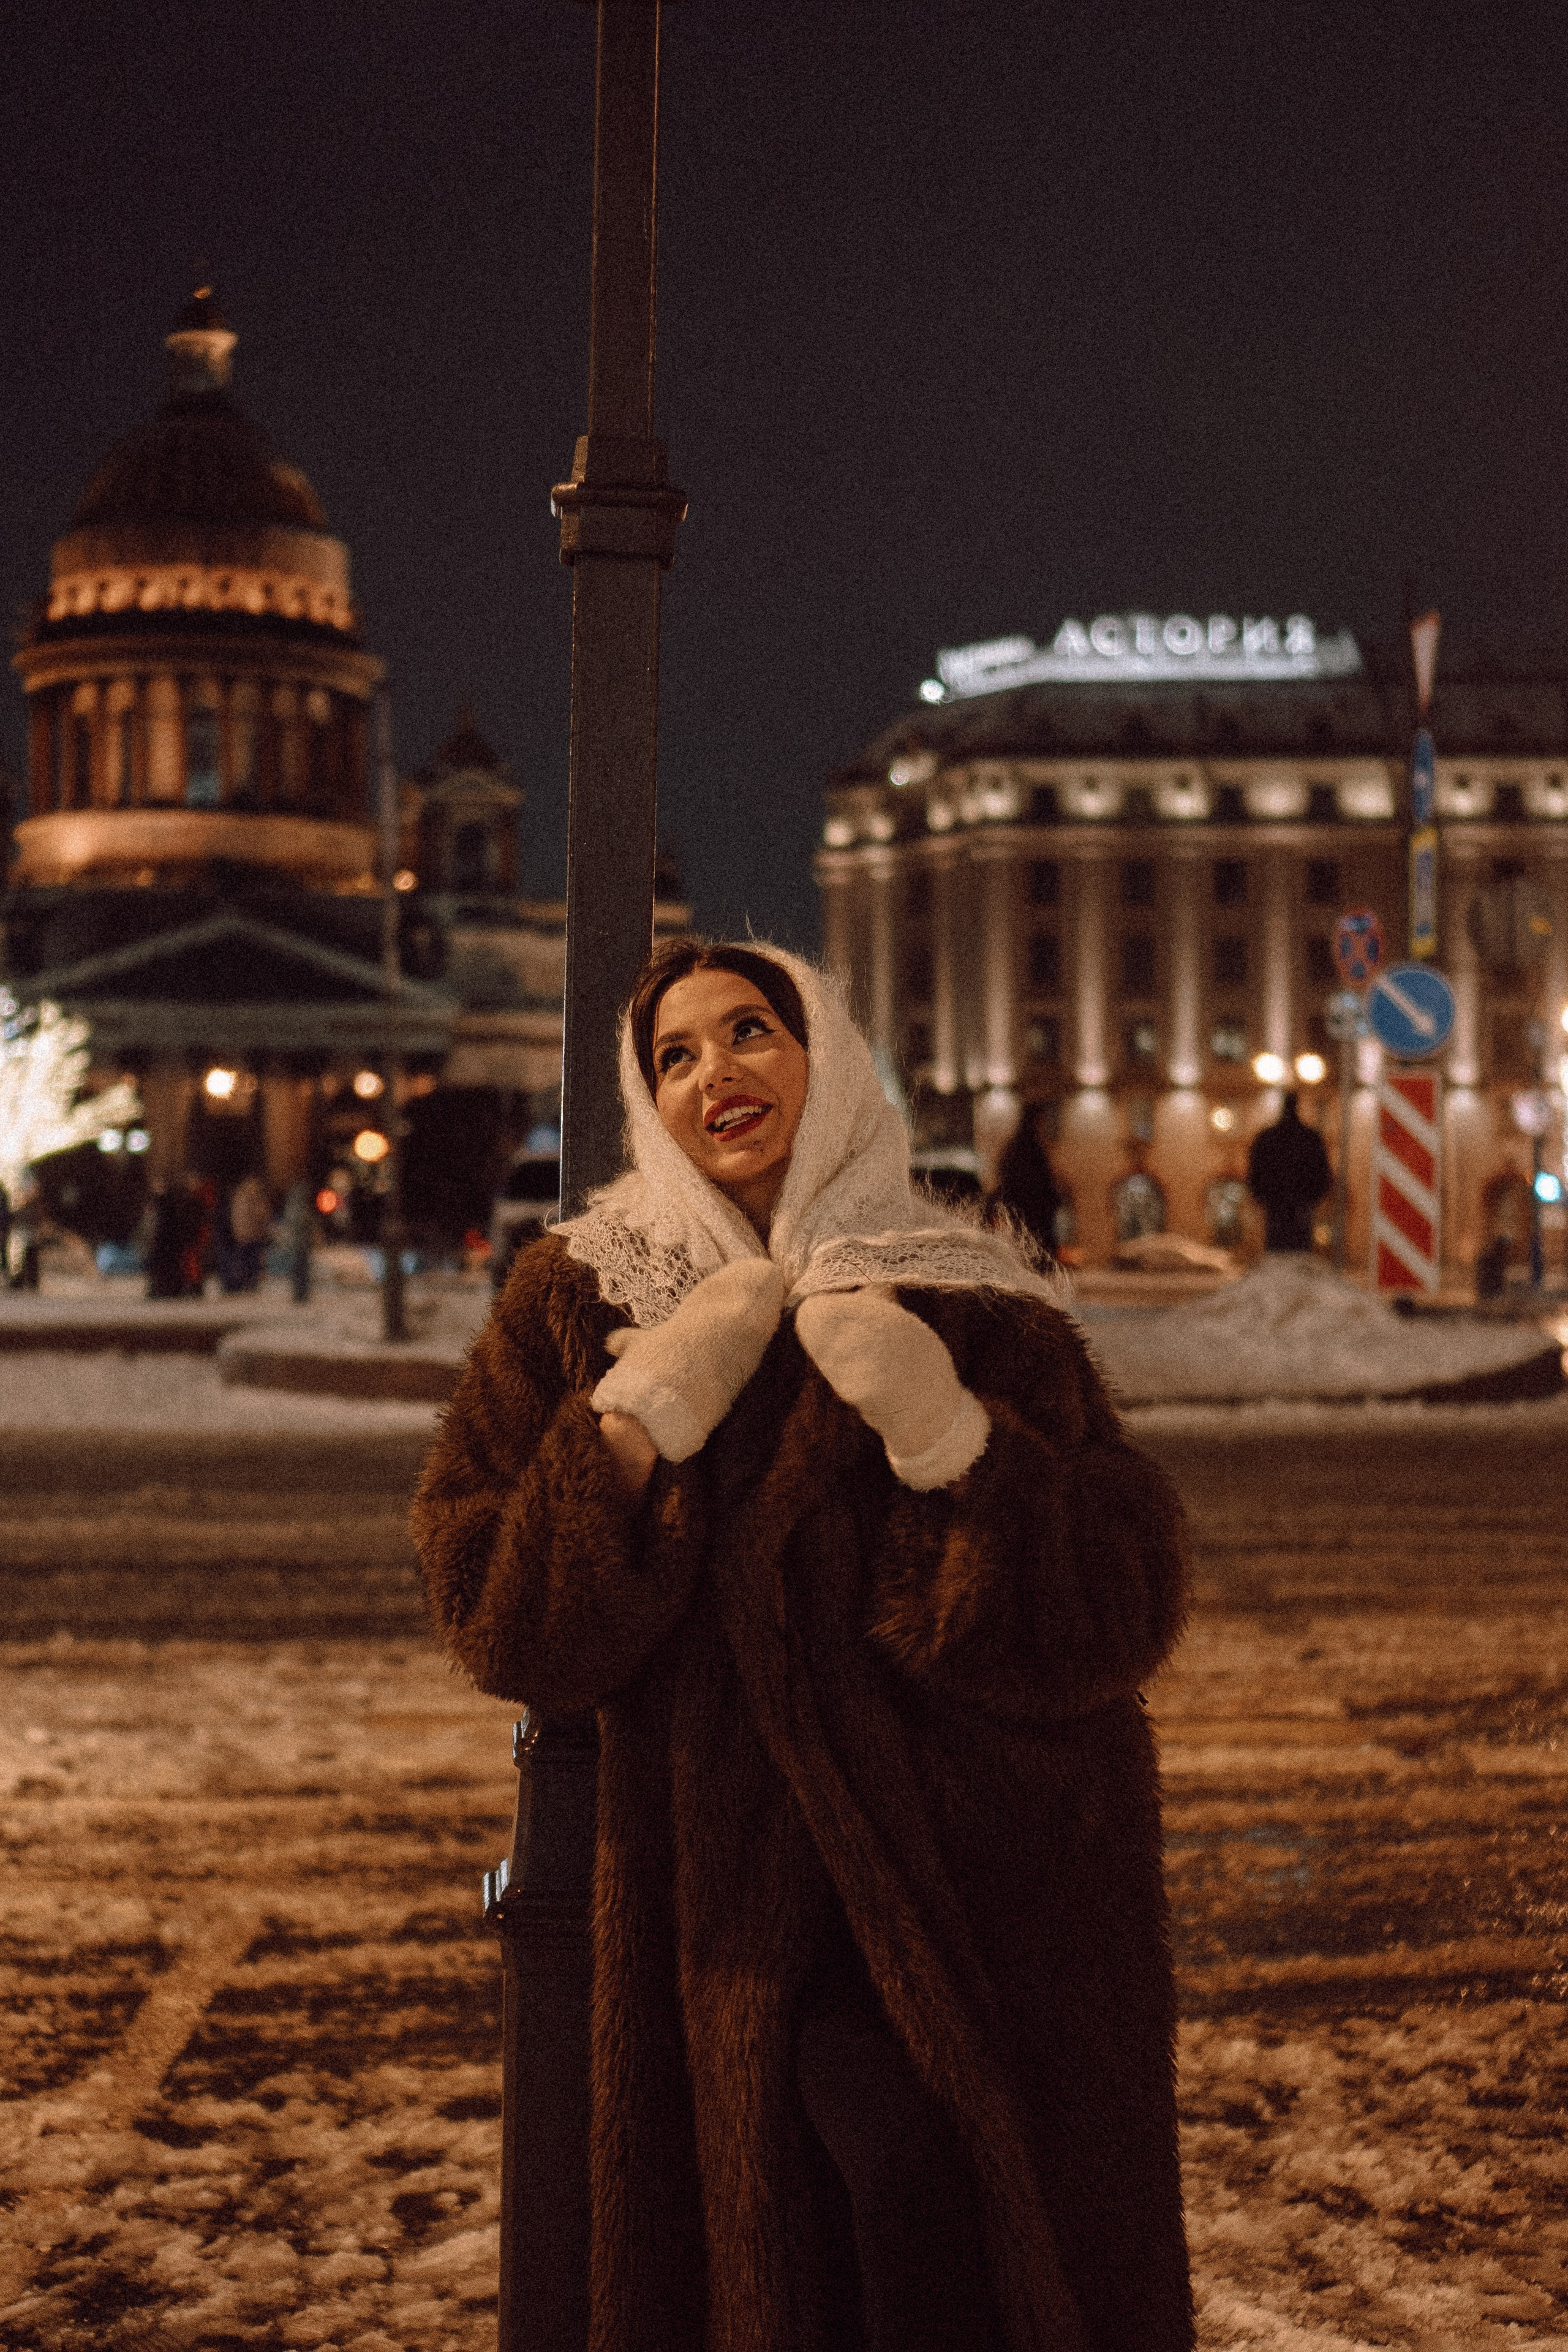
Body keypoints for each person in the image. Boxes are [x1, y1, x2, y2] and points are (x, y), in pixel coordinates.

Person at [412, 941, 1193, 2352]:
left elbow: (1116, 1610)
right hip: (718, 1913)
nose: (715, 1072)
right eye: (674, 1054)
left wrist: (951, 1439)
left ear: (821, 1056)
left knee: (940, 2235)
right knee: (787, 2256)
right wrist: (633, 1427)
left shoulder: (968, 1291)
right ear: (648, 1101)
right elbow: (501, 1617)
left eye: (750, 1031)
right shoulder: (583, 1295)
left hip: (984, 1891)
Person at [1245, 1089, 1332, 1252]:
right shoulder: (1311, 1138)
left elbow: (1254, 1176)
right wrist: (1310, 1200)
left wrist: (1264, 1199)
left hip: (1276, 1208)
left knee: (1277, 1249)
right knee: (1300, 1249)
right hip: (1301, 1208)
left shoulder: (1266, 1138)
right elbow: (1323, 1176)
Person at [992, 1106, 1065, 1256]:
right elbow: (1039, 1182)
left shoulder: (1015, 1147)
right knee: (1037, 1248)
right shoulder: (1031, 1148)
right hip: (1033, 1210)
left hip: (1021, 1210)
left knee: (1024, 1247)